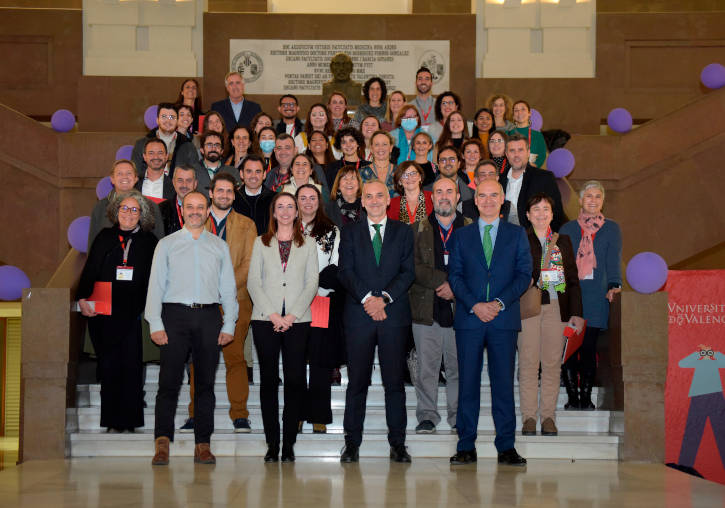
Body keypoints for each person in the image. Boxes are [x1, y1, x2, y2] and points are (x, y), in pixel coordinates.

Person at [147, 191, 238, 466]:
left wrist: (230, 322)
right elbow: (155, 286)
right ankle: (162, 443)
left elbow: (228, 288)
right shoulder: (166, 244)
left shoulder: (219, 246)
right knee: (168, 384)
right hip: (173, 317)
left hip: (209, 317)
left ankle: (203, 444)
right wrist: (155, 322)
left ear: (208, 210)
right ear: (182, 210)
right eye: (190, 207)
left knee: (205, 385)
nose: (195, 211)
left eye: (200, 207)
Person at [447, 179, 532, 466]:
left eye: (493, 195)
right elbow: (455, 276)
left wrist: (497, 304)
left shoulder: (517, 234)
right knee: (467, 384)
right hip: (470, 319)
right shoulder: (461, 236)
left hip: (503, 319)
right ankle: (465, 445)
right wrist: (475, 305)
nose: (487, 200)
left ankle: (506, 446)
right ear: (475, 200)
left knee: (503, 385)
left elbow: (523, 275)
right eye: (481, 196)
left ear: (502, 199)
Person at [338, 180, 416, 464]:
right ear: (362, 201)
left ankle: (398, 444)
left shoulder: (404, 232)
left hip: (393, 316)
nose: (373, 200)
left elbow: (408, 272)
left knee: (394, 383)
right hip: (359, 317)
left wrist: (383, 298)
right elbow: (345, 271)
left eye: (379, 196)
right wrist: (367, 300)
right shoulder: (349, 233)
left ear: (388, 200)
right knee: (356, 382)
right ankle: (351, 444)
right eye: (368, 196)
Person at [180, 173, 258, 434]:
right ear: (211, 193)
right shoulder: (195, 222)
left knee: (236, 359)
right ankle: (195, 414)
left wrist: (222, 288)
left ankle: (240, 415)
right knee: (200, 361)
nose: (224, 195)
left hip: (237, 300)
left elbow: (249, 264)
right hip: (201, 301)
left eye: (229, 192)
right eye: (219, 191)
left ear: (234, 195)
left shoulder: (247, 225)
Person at [77, 190, 158, 433]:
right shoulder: (104, 237)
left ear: (141, 214)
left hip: (136, 314)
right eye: (125, 209)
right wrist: (82, 298)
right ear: (116, 212)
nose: (129, 214)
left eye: (135, 210)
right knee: (110, 367)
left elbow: (156, 277)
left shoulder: (149, 241)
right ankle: (112, 421)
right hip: (106, 314)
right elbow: (91, 269)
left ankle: (131, 421)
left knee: (132, 369)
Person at [247, 192, 319, 463]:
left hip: (298, 322)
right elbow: (254, 281)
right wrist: (274, 315)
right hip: (266, 319)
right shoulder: (260, 242)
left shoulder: (308, 244)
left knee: (295, 381)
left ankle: (288, 442)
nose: (286, 211)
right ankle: (272, 442)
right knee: (268, 382)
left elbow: (312, 282)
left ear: (297, 212)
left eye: (291, 206)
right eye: (281, 207)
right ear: (274, 213)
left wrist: (291, 316)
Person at [519, 193, 584, 437]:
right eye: (536, 209)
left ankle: (548, 417)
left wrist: (576, 313)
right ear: (527, 215)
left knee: (552, 364)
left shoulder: (563, 241)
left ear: (552, 214)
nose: (541, 213)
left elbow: (573, 279)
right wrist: (540, 274)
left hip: (558, 308)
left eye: (545, 209)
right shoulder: (521, 239)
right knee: (527, 363)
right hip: (530, 307)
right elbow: (519, 271)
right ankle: (528, 417)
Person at [409, 177, 471, 434]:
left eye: (450, 191)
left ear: (458, 197)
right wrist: (443, 283)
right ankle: (427, 415)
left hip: (462, 310)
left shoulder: (471, 228)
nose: (444, 196)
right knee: (427, 367)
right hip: (426, 308)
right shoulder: (416, 229)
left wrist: (455, 288)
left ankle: (458, 415)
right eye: (439, 192)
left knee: (459, 367)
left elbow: (479, 266)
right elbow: (412, 266)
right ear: (431, 198)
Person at [559, 181, 622, 410]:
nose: (593, 200)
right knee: (569, 349)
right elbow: (561, 265)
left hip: (597, 296)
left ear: (602, 201)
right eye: (589, 196)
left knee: (588, 348)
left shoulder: (612, 229)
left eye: (597, 196)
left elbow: (613, 260)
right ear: (581, 200)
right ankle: (572, 396)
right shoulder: (567, 229)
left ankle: (585, 398)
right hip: (571, 296)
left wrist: (615, 284)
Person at [296, 184, 342, 434]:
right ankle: (298, 413)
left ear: (319, 201)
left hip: (321, 299)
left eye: (312, 198)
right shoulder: (287, 227)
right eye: (302, 198)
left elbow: (335, 265)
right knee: (296, 360)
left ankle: (319, 415)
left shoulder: (331, 230)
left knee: (319, 361)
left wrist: (315, 288)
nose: (308, 202)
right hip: (291, 303)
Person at [499, 133, 566, 230]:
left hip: (535, 240)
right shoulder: (499, 180)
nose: (516, 155)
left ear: (528, 152)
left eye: (520, 150)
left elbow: (557, 214)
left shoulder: (544, 178)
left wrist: (549, 243)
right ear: (506, 154)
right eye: (512, 151)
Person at [89, 160, 164, 245]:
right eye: (119, 173)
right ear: (112, 179)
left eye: (129, 173)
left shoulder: (151, 207)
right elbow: (93, 245)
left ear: (136, 178)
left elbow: (159, 243)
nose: (124, 177)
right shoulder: (100, 208)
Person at [131, 103, 195, 178]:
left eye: (172, 117)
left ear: (177, 121)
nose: (168, 121)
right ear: (157, 120)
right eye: (164, 117)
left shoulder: (187, 145)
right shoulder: (142, 144)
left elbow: (194, 173)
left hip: (176, 188)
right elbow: (135, 173)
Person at [233, 155, 275, 235]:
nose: (253, 176)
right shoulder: (233, 199)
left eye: (258, 171)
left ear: (264, 174)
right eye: (249, 171)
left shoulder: (275, 199)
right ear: (241, 174)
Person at [193, 131, 240, 198]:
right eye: (209, 145)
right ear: (202, 150)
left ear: (222, 151)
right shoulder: (192, 171)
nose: (213, 148)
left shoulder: (233, 172)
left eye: (217, 145)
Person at [157, 164, 197, 236]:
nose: (184, 185)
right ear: (173, 182)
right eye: (180, 180)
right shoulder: (161, 209)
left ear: (195, 184)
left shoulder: (203, 209)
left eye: (189, 180)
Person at [509, 100, 548, 167]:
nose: (519, 112)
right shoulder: (508, 134)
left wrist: (535, 165)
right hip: (513, 170)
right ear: (513, 116)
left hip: (532, 170)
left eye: (523, 109)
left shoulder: (537, 135)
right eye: (516, 110)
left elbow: (542, 154)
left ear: (529, 113)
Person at [360, 130, 397, 197]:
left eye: (384, 144)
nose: (381, 148)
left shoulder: (400, 172)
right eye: (377, 144)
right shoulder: (361, 173)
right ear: (371, 148)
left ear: (391, 148)